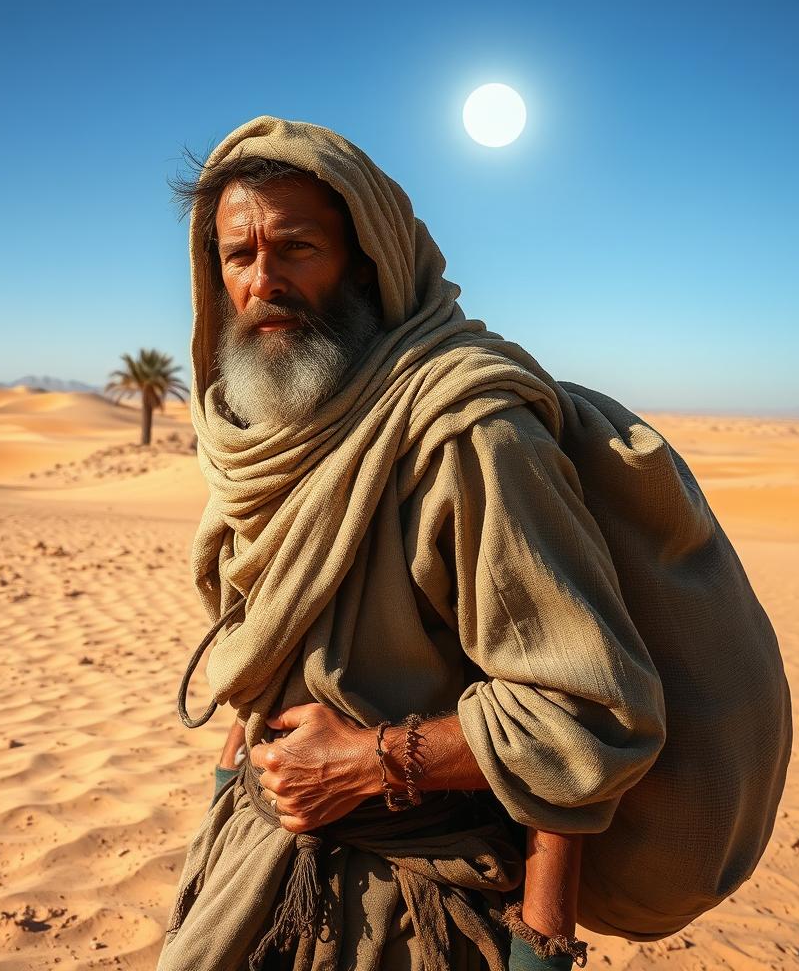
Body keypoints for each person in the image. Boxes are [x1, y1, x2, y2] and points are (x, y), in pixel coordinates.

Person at [158, 116, 667, 971]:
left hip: (412, 909)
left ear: (367, 261)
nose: (263, 281)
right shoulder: (264, 432)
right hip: (248, 865)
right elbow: (270, 645)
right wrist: (226, 801)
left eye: (298, 247)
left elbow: (584, 712)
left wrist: (365, 763)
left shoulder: (468, 435)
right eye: (238, 256)